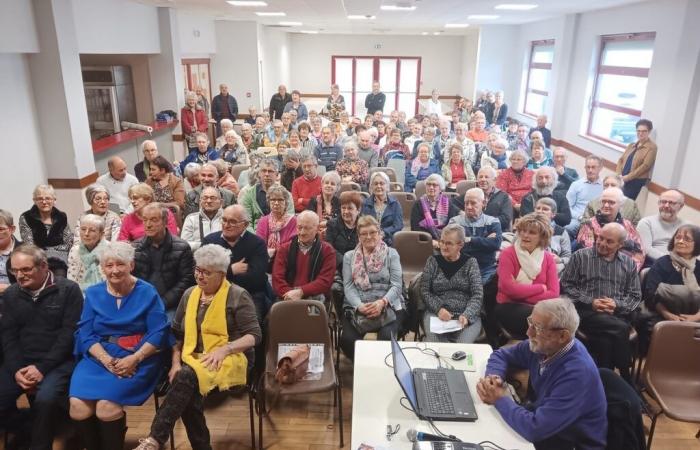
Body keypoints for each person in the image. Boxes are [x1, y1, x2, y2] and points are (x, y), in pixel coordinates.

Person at [133, 244, 261, 450]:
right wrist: (175, 362)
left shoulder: (238, 295)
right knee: (186, 384)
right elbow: (176, 335)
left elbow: (254, 336)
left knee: (185, 379)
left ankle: (155, 439)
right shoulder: (190, 294)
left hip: (233, 358)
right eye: (197, 270)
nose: (199, 276)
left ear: (221, 274)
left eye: (206, 273)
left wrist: (224, 349)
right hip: (195, 360)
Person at [68, 241, 169, 450]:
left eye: (120, 264)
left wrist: (135, 358)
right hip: (99, 357)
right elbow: (85, 333)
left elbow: (159, 332)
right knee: (77, 407)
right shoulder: (94, 293)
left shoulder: (147, 291)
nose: (114, 270)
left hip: (138, 356)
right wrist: (105, 360)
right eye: (109, 265)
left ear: (131, 265)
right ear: (102, 268)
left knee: (106, 408)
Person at [478, 298, 607, 449]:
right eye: (530, 323)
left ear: (563, 336)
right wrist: (494, 378)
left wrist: (500, 398)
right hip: (548, 426)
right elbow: (501, 354)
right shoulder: (544, 346)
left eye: (538, 328)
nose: (528, 332)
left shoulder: (576, 374)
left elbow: (535, 429)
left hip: (569, 443)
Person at [0, 245, 83, 449]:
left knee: (45, 400)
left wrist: (42, 368)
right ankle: (29, 430)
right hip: (21, 362)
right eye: (15, 270)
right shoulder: (11, 294)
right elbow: (8, 336)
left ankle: (40, 444)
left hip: (58, 362)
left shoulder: (69, 290)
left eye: (26, 269)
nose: (19, 275)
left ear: (44, 266)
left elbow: (68, 336)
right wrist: (17, 369)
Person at [562, 223, 642, 381]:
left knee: (605, 342)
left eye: (609, 241)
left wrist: (616, 305)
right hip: (586, 312)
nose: (602, 243)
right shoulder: (580, 256)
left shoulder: (629, 263)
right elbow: (567, 285)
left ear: (620, 244)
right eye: (600, 238)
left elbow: (635, 296)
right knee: (621, 329)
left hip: (615, 314)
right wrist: (590, 301)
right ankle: (625, 376)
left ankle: (605, 383)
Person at [340, 215, 404, 361]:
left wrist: (382, 302)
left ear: (379, 233)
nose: (368, 237)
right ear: (358, 236)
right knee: (348, 340)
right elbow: (348, 286)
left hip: (388, 304)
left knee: (387, 338)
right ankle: (364, 366)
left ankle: (380, 368)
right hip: (359, 304)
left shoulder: (391, 254)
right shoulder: (349, 257)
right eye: (364, 234)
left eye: (372, 232)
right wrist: (359, 306)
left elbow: (397, 285)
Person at [494, 213, 560, 339]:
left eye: (532, 232)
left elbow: (554, 294)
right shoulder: (508, 254)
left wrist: (519, 292)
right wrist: (540, 288)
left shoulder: (548, 258)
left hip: (538, 307)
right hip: (508, 307)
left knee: (560, 320)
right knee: (546, 321)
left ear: (542, 237)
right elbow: (508, 289)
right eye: (523, 231)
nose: (525, 235)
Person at [202, 205, 270, 322]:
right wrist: (230, 270)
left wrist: (218, 274)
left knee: (252, 326)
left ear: (245, 225)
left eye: (232, 221)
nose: (226, 225)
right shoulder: (209, 241)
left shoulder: (257, 244)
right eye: (224, 220)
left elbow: (256, 279)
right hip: (214, 294)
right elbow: (202, 275)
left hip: (249, 295)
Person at [420, 224, 483, 343]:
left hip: (464, 315)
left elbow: (477, 295)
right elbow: (424, 290)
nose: (443, 246)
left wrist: (467, 315)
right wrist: (439, 309)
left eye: (449, 243)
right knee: (437, 346)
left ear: (460, 245)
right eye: (442, 242)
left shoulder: (470, 263)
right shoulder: (433, 261)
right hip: (436, 314)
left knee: (461, 349)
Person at [132, 203, 196, 318]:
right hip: (141, 302)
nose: (148, 225)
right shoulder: (135, 247)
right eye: (145, 220)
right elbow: (131, 280)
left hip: (170, 304)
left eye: (153, 220)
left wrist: (162, 303)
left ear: (165, 222)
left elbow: (186, 281)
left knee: (165, 327)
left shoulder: (182, 247)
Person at [643, 225, 700, 329]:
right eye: (678, 237)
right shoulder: (661, 263)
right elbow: (650, 295)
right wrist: (668, 315)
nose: (680, 241)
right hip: (662, 316)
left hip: (695, 319)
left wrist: (695, 318)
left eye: (687, 239)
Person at [272, 211, 336, 301]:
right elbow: (277, 279)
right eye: (299, 227)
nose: (302, 232)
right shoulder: (284, 249)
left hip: (314, 296)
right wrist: (290, 294)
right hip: (287, 296)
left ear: (317, 228)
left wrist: (301, 292)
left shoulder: (327, 250)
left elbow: (325, 281)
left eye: (307, 228)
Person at [577, 187, 645, 271]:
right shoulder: (590, 224)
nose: (606, 205)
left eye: (611, 202)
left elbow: (639, 252)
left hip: (626, 270)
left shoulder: (628, 225)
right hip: (598, 269)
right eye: (603, 201)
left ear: (620, 204)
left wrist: (630, 270)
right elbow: (588, 253)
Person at [449, 188, 503, 284]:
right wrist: (485, 242)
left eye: (473, 203)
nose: (469, 207)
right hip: (461, 267)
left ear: (484, 203)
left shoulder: (493, 221)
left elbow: (496, 244)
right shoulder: (455, 222)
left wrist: (469, 240)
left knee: (488, 288)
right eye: (466, 203)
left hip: (486, 268)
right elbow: (452, 247)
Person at [19, 184, 73, 262]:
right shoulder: (26, 217)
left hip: (61, 257)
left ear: (54, 200)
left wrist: (51, 250)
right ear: (34, 201)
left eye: (48, 198)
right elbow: (29, 246)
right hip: (37, 258)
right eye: (40, 199)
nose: (44, 202)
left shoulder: (61, 216)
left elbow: (68, 242)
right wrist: (49, 252)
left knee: (60, 272)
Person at [239, 158, 294, 232]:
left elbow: (289, 218)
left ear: (277, 174)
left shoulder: (286, 194)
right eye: (264, 171)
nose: (267, 174)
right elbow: (246, 222)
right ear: (259, 173)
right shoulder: (248, 194)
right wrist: (257, 240)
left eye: (270, 171)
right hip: (255, 235)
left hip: (281, 233)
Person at [637, 190, 687, 263]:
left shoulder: (687, 226)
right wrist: (671, 261)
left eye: (672, 203)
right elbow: (646, 249)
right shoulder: (646, 223)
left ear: (681, 206)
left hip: (681, 264)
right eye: (663, 202)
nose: (666, 206)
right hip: (653, 263)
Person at [410, 174, 460, 246]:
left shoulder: (448, 203)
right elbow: (415, 228)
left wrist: (443, 241)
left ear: (440, 188)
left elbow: (452, 225)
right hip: (424, 241)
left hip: (446, 241)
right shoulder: (418, 204)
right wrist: (430, 241)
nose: (431, 187)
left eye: (434, 185)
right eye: (428, 184)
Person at [615, 118, 657, 200]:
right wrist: (618, 174)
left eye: (644, 131)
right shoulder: (631, 145)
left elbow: (645, 166)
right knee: (616, 200)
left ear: (649, 132)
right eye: (638, 131)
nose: (640, 133)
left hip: (635, 182)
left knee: (625, 204)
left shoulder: (652, 147)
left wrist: (628, 177)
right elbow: (621, 160)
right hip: (622, 178)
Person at [255, 185, 297, 262]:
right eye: (273, 200)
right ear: (269, 202)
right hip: (265, 260)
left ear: (286, 202)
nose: (276, 203)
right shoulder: (263, 221)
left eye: (280, 200)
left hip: (286, 260)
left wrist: (275, 251)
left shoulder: (294, 221)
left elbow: (292, 246)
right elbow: (259, 245)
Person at [565, 155, 603, 237]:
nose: (590, 170)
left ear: (600, 168)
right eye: (588, 167)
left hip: (596, 220)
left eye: (593, 167)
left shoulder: (604, 186)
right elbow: (567, 207)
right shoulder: (576, 185)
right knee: (568, 227)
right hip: (577, 219)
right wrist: (580, 217)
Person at [361, 172, 403, 246]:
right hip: (369, 239)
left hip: (388, 240)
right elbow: (362, 224)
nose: (379, 186)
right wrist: (373, 234)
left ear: (387, 186)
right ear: (371, 187)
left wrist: (384, 233)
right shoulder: (365, 204)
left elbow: (398, 225)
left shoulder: (395, 203)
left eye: (382, 183)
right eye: (376, 184)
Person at [67, 214, 108, 291]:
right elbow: (71, 279)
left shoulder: (110, 250)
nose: (86, 234)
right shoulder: (75, 250)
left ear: (101, 234)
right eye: (83, 229)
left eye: (92, 230)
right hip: (79, 293)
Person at [325, 191, 361, 270]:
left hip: (359, 266)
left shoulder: (363, 225)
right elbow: (329, 248)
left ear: (358, 210)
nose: (346, 211)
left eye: (350, 208)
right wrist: (345, 262)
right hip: (338, 266)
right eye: (343, 208)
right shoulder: (332, 224)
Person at [535, 198, 571, 275]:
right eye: (538, 208)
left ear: (553, 214)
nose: (540, 211)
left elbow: (568, 257)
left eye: (545, 209)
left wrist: (559, 260)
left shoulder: (561, 232)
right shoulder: (526, 228)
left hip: (553, 269)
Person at [181, 186, 224, 251]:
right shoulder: (191, 219)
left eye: (213, 198)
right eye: (205, 198)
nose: (208, 201)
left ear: (221, 202)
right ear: (200, 202)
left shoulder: (227, 218)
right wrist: (205, 245)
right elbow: (184, 244)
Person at [0, 210, 21, 294]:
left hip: (16, 298)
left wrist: (9, 289)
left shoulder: (27, 252)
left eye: (0, 229)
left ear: (12, 229)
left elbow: (34, 282)